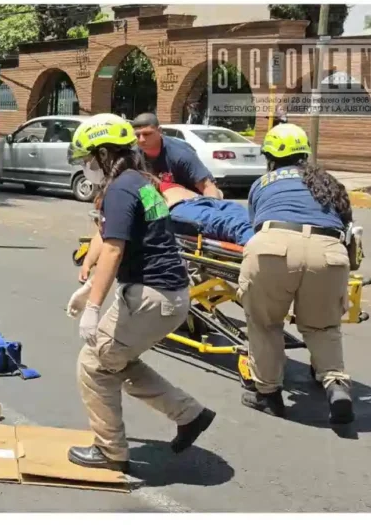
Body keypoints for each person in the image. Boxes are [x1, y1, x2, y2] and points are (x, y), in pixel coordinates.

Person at [64, 114, 215, 473]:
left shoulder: (119, 189)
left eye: (88, 159)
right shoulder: (140, 182)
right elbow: (132, 241)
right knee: (117, 361)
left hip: (151, 296)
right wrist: (89, 288)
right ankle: (189, 414)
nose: (87, 168)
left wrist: (94, 306)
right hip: (169, 295)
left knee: (93, 364)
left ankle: (110, 450)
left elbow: (113, 250)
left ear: (103, 155)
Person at [239, 123, 355, 425]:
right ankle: (335, 383)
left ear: (270, 157)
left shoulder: (263, 183)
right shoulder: (328, 181)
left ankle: (268, 395)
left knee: (265, 324)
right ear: (305, 153)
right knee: (324, 327)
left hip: (273, 246)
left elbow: (255, 224)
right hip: (328, 251)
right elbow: (346, 223)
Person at [74, 177, 253, 284]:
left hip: (204, 201)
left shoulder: (137, 179)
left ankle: (269, 241)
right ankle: (260, 249)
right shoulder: (123, 194)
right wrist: (88, 263)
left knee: (245, 218)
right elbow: (105, 234)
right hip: (178, 209)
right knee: (229, 224)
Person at [131, 112, 224, 199]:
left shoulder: (180, 154)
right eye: (138, 135)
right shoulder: (133, 155)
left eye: (147, 134)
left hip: (189, 202)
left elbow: (208, 187)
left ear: (159, 131)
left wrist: (212, 209)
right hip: (157, 201)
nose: (141, 139)